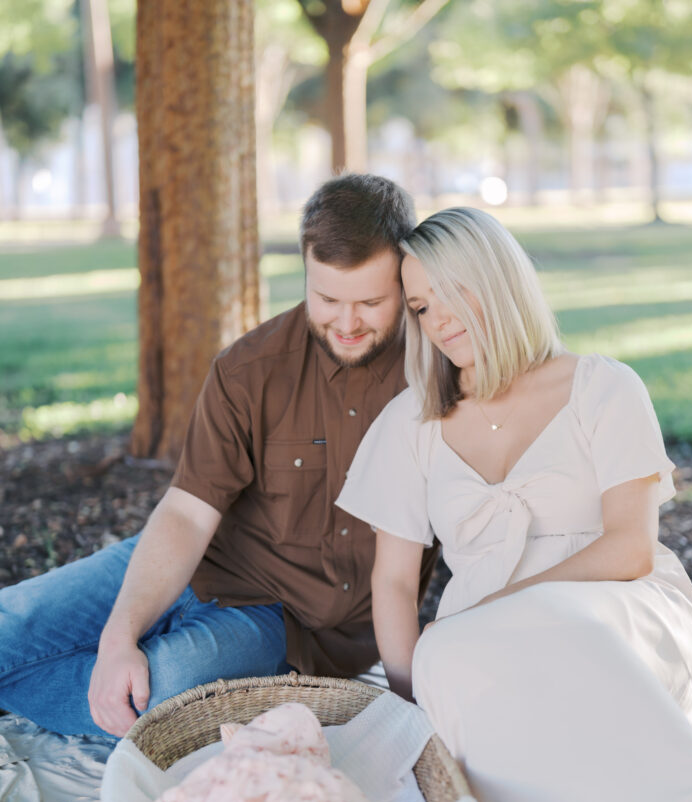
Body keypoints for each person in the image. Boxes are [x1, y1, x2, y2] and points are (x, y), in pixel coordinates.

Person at [336, 206, 692, 802]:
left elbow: (629, 547)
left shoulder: (602, 386)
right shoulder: (408, 424)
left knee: (556, 626)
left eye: (452, 292)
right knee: (468, 679)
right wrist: (416, 696)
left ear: (498, 280)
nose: (437, 320)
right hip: (474, 642)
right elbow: (392, 581)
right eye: (419, 306)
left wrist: (504, 610)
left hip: (616, 602)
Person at [0, 173, 436, 739]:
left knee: (156, 694)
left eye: (370, 302)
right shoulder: (250, 369)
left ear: (405, 277)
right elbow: (186, 513)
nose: (347, 323)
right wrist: (118, 637)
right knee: (16, 624)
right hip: (194, 560)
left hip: (282, 624)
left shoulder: (436, 378)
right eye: (326, 299)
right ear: (305, 269)